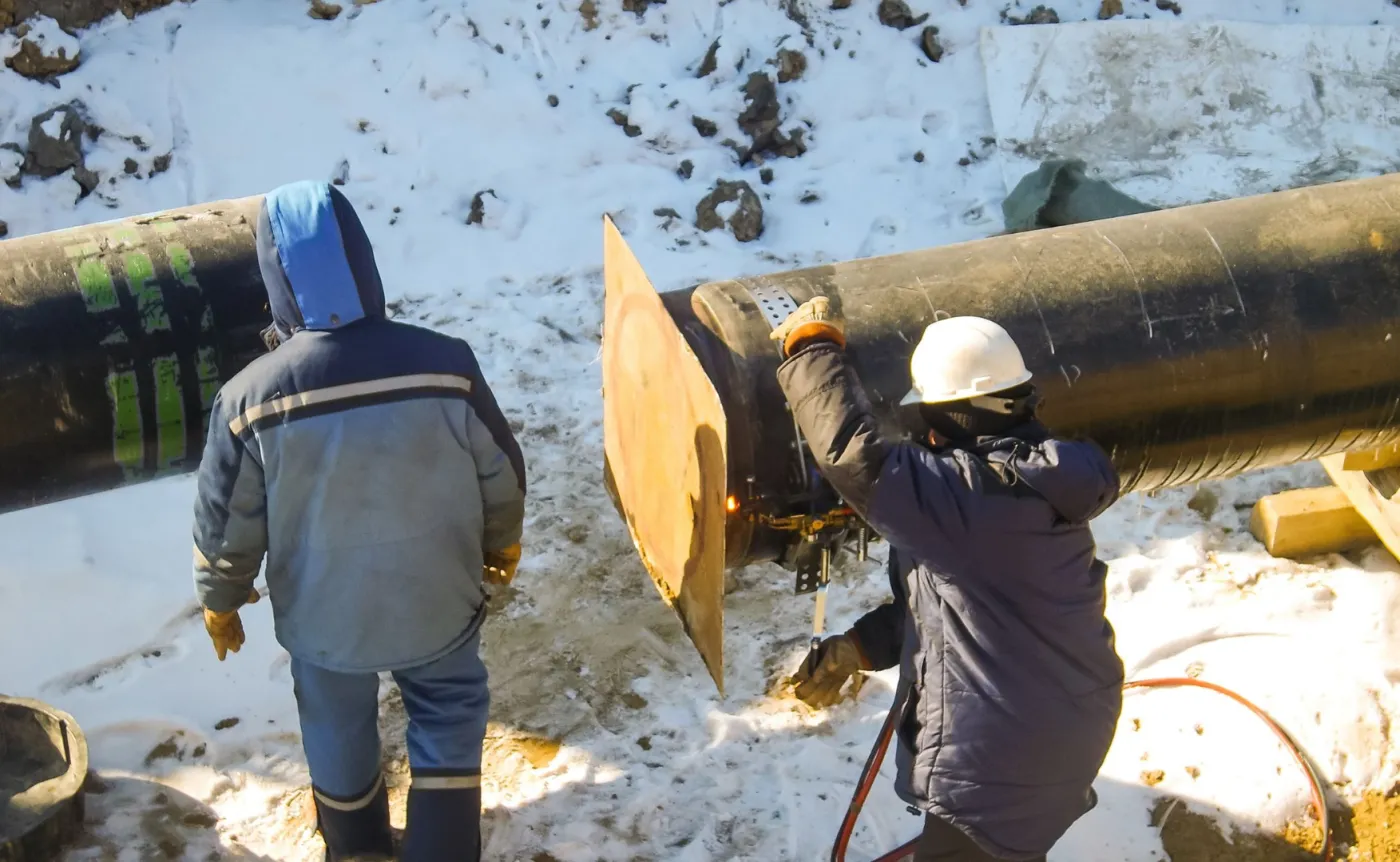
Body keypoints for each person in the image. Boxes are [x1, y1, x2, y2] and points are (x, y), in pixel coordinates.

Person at [191, 180, 526, 862]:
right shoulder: (446, 363)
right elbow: (501, 471)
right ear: (365, 264)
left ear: (275, 283)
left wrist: (220, 599)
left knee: (335, 725)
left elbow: (228, 521)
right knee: (447, 715)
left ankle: (357, 849)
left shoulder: (249, 399)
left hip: (324, 620)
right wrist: (503, 542)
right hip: (437, 599)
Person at [772, 298, 1123, 862]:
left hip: (999, 762)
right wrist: (859, 648)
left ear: (954, 415)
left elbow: (853, 460)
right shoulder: (1035, 481)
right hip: (1061, 728)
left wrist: (811, 347)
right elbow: (959, 607)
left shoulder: (971, 495)